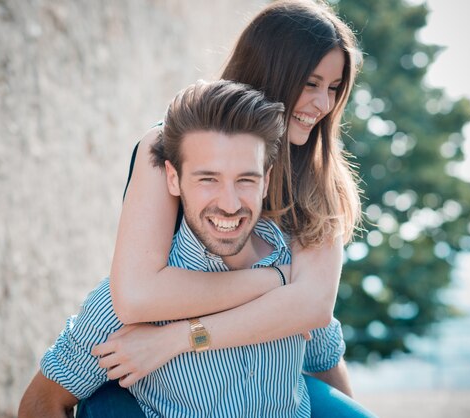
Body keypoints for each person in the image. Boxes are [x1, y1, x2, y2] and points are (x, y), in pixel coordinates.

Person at [84, 0, 369, 416]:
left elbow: (312, 308)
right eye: (310, 83)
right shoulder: (169, 144)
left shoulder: (321, 177)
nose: (323, 104)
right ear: (272, 70)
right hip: (175, 385)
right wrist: (275, 280)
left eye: (333, 88)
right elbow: (137, 296)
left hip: (280, 369)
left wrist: (179, 337)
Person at [18, 80, 368, 418]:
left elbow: (327, 367)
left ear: (267, 179)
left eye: (246, 179)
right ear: (173, 178)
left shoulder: (301, 277)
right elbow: (39, 404)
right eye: (208, 179)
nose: (229, 204)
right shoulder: (127, 303)